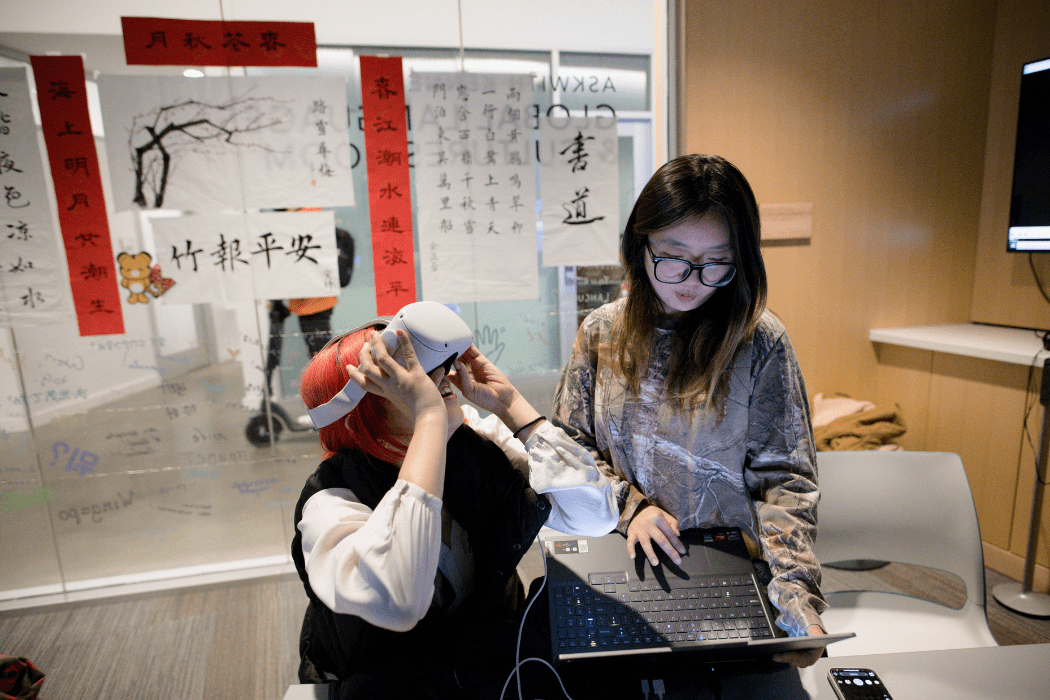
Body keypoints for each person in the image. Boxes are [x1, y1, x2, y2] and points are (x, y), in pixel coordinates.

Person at [553, 154, 828, 668]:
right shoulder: (601, 333)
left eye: (716, 261)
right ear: (642, 246)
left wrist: (798, 604)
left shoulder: (760, 342)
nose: (691, 279)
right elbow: (568, 450)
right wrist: (630, 506)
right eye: (673, 256)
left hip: (731, 576)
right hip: (623, 562)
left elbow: (786, 482)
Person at [291, 304, 618, 699]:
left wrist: (512, 406)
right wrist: (428, 417)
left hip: (483, 659)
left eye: (431, 367)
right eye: (406, 377)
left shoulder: (473, 441)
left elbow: (594, 517)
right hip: (390, 680)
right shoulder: (331, 500)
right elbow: (400, 599)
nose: (437, 378)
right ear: (357, 412)